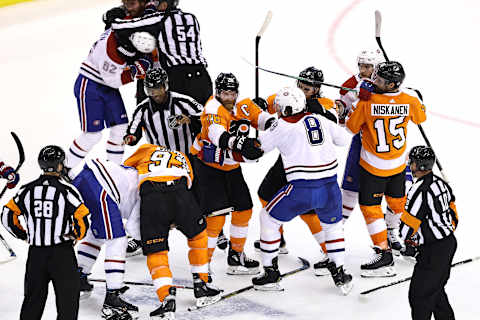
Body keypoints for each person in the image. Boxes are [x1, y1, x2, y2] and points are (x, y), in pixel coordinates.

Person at [252, 86, 352, 294]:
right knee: (333, 227)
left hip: (301, 188)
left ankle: (270, 272)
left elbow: (256, 150)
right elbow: (344, 140)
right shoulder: (321, 119)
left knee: (268, 218)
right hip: (331, 188)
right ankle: (340, 272)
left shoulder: (281, 126)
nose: (277, 110)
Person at [344, 61, 427, 277]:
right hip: (398, 164)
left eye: (379, 79)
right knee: (397, 202)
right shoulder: (409, 100)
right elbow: (421, 117)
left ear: (391, 84)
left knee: (370, 208)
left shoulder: (367, 102)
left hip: (373, 166)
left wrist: (358, 102)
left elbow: (350, 127)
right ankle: (393, 232)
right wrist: (411, 95)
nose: (373, 81)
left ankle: (384, 253)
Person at [189, 72, 275, 275]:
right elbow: (217, 135)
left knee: (244, 208)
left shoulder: (243, 104)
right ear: (217, 93)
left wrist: (275, 126)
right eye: (224, 93)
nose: (228, 98)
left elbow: (263, 119)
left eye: (232, 93)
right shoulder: (212, 108)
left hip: (230, 166)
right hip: (207, 167)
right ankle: (203, 267)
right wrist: (243, 144)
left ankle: (236, 256)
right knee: (216, 218)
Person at [123, 143, 222, 318]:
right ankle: (201, 284)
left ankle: (166, 297)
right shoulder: (181, 155)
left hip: (152, 196)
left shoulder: (145, 148)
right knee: (198, 236)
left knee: (156, 251)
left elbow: (126, 170)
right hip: (181, 193)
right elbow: (192, 183)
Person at [1, 145, 90, 320]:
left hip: (36, 255)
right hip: (62, 254)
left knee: (32, 302)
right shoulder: (67, 190)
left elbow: (6, 215)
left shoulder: (26, 190)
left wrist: (24, 235)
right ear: (59, 165)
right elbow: (83, 218)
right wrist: (76, 235)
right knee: (67, 303)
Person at [123, 67, 203, 255]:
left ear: (166, 86)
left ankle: (214, 230)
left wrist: (190, 120)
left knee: (199, 192)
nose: (155, 93)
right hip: (160, 164)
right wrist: (129, 138)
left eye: (158, 88)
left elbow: (207, 117)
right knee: (144, 198)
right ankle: (137, 237)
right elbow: (133, 131)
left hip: (186, 159)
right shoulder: (142, 109)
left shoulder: (183, 101)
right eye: (151, 90)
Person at [336, 49, 410, 253]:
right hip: (364, 143)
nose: (363, 70)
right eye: (361, 65)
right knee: (350, 189)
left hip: (392, 150)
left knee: (399, 194)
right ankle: (337, 229)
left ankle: (391, 230)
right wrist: (345, 109)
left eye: (368, 66)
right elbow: (343, 117)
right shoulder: (352, 85)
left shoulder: (385, 85)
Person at [65, 26, 152, 175]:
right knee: (92, 135)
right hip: (90, 84)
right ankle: (64, 169)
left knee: (121, 127)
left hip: (106, 86)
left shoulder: (118, 32)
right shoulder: (109, 55)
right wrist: (137, 69)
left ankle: (113, 172)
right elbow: (115, 80)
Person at [73, 159, 140, 319]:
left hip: (92, 175)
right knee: (117, 240)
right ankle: (112, 296)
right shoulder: (157, 198)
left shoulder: (159, 184)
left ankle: (79, 278)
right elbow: (134, 229)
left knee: (97, 234)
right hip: (102, 185)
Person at [111, 0, 213, 106]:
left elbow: (122, 28)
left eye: (155, 4)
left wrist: (113, 18)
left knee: (175, 120)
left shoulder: (159, 18)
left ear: (164, 5)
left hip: (178, 77)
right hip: (203, 77)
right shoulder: (191, 17)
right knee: (202, 119)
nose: (152, 7)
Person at [399, 146, 458, 320]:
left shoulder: (420, 191)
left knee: (419, 297)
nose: (411, 165)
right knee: (435, 291)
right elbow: (453, 213)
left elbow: (407, 228)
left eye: (413, 162)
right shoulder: (441, 184)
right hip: (448, 244)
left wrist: (408, 242)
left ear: (420, 166)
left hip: (433, 252)